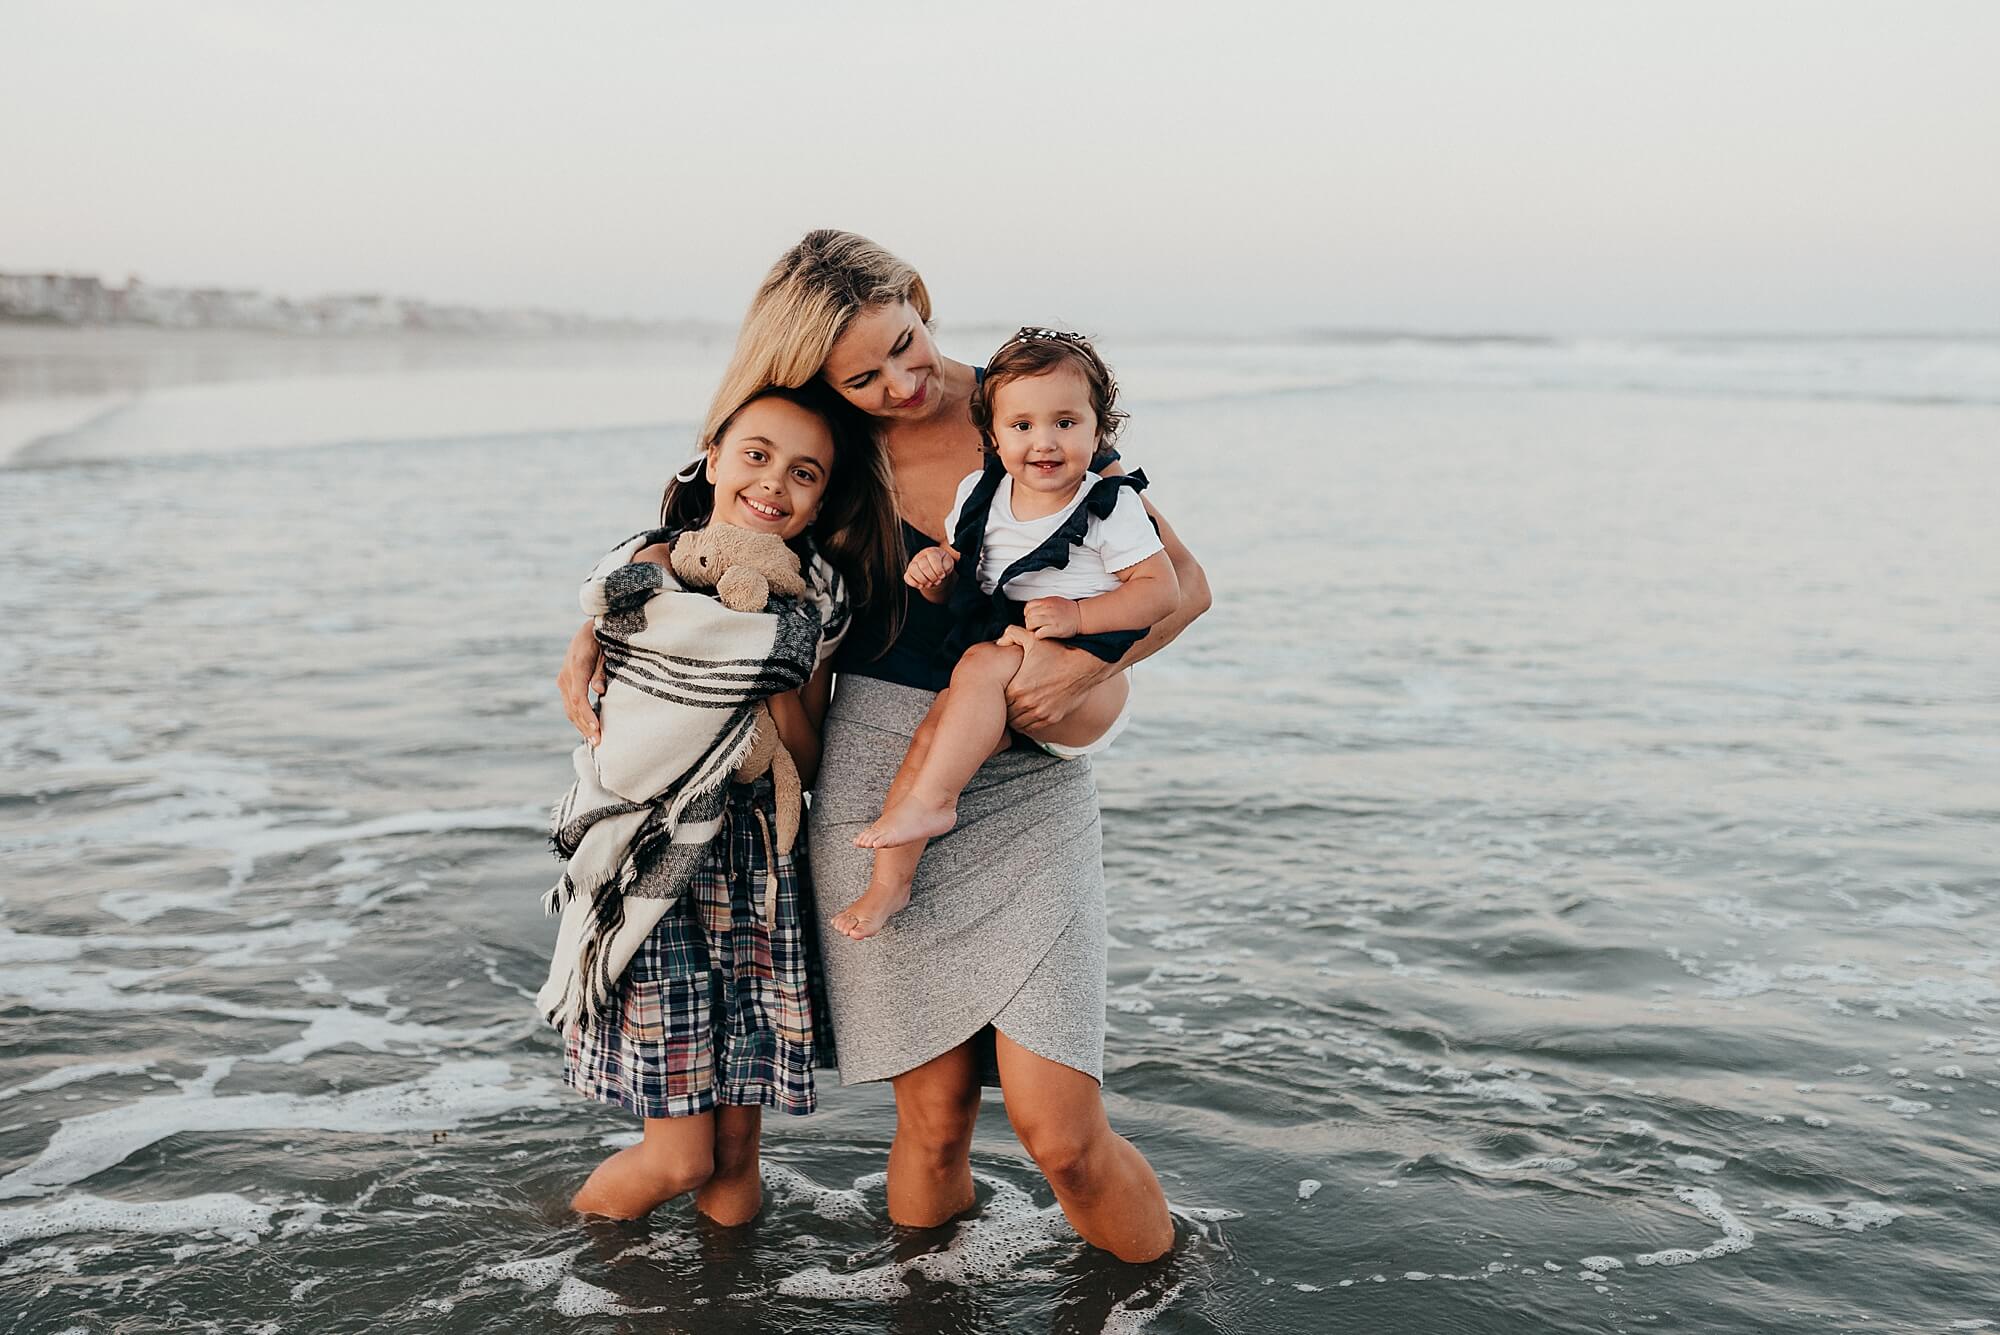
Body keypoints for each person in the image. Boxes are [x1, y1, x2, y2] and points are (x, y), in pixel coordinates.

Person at [558, 230, 1211, 1262]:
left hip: (1023, 783)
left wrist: (1082, 672)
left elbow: (1186, 585)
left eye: (903, 347)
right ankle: (926, 1305)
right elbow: (697, 533)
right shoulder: (822, 444)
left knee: (1063, 1138)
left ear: (918, 299)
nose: (897, 386)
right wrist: (590, 632)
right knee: (935, 1121)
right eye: (859, 377)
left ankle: (1166, 1298)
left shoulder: (1027, 407)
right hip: (871, 785)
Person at [556, 378, 899, 1224]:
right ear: (712, 457)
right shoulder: (646, 573)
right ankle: (561, 1257)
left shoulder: (816, 603)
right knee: (680, 1157)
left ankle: (720, 1303)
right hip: (658, 862)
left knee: (738, 1159)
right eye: (756, 455)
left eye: (805, 473)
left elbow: (809, 754)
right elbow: (625, 719)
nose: (774, 483)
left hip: (757, 869)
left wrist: (776, 665)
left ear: (822, 499)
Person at [838, 329, 1177, 939]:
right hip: (1009, 659)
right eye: (1021, 426)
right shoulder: (979, 493)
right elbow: (967, 569)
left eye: (1066, 422)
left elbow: (1163, 591)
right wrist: (936, 573)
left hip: (1085, 679)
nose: (1043, 441)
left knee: (976, 669)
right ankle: (889, 885)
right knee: (931, 737)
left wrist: (1078, 619)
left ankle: (934, 804)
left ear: (1100, 431)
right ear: (991, 437)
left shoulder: (1108, 505)